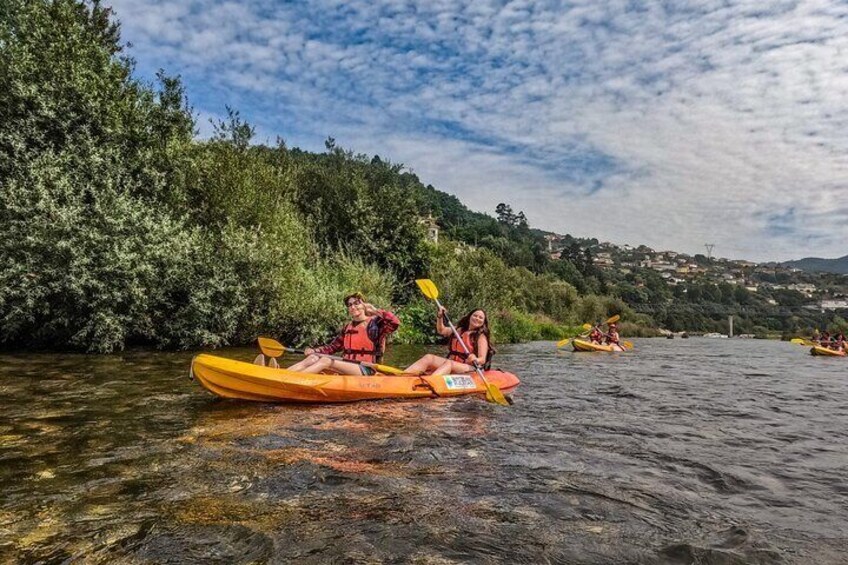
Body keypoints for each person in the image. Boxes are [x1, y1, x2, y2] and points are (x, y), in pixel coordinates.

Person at [286, 292, 399, 375]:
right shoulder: (347, 327)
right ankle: (283, 374)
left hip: (366, 369)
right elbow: (332, 347)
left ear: (364, 305)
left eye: (356, 303)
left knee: (326, 360)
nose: (353, 307)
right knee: (313, 358)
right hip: (348, 366)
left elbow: (394, 322)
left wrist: (375, 310)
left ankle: (294, 379)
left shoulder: (375, 324)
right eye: (350, 305)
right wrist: (314, 351)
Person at [404, 307, 495, 377]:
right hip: (453, 363)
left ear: (483, 322)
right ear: (470, 317)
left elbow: (482, 359)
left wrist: (475, 359)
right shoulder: (458, 330)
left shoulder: (481, 337)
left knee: (449, 363)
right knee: (429, 358)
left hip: (470, 367)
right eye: (475, 315)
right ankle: (404, 376)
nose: (477, 318)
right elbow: (441, 330)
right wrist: (440, 317)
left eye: (480, 318)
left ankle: (431, 381)